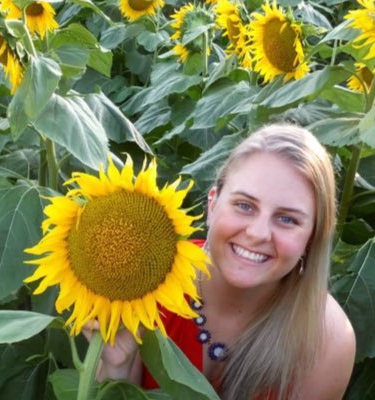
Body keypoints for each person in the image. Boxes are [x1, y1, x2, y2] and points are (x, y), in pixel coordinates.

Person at [83, 124, 356, 400]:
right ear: (212, 205)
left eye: (287, 219)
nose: (258, 233)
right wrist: (117, 367)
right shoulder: (152, 277)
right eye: (244, 205)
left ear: (312, 236)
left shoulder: (327, 339)